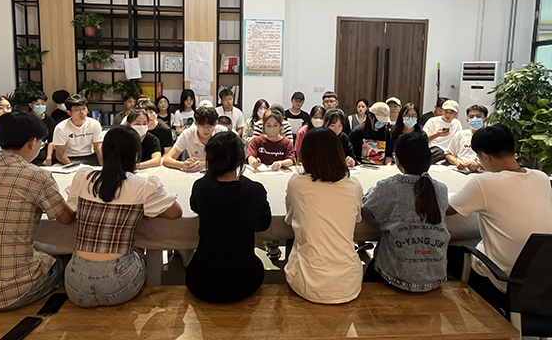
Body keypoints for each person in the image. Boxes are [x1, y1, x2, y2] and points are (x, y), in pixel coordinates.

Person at [65, 126, 182, 308]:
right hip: (118, 283)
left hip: (75, 283)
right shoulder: (143, 185)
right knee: (141, 253)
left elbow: (71, 210)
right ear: (136, 155)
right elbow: (176, 213)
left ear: (103, 151)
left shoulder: (83, 176)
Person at [447, 124, 552, 314]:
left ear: (485, 157)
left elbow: (444, 209)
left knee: (447, 254)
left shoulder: (484, 182)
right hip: (544, 282)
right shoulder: (542, 178)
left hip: (506, 282)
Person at [0, 112, 75, 310]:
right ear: (32, 143)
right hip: (12, 292)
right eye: (41, 142)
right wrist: (75, 198)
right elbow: (65, 219)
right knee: (66, 258)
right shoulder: (36, 176)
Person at [185, 132, 271, 303]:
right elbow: (263, 223)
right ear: (240, 159)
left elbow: (195, 207)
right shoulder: (255, 190)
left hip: (202, 279)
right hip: (245, 280)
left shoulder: (201, 187)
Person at [362, 132, 450, 292]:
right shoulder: (441, 189)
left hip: (395, 277)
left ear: (397, 159)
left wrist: (370, 193)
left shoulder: (388, 187)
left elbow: (367, 212)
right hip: (436, 276)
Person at [284, 127, 363, 304]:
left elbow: (289, 219)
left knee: (293, 241)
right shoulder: (354, 185)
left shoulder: (296, 183)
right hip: (349, 283)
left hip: (307, 284)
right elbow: (357, 220)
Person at [163, 106, 227, 172]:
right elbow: (166, 160)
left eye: (210, 126)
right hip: (196, 173)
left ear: (216, 123)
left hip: (220, 172)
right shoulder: (188, 134)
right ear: (196, 123)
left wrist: (205, 164)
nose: (206, 130)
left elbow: (230, 160)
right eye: (202, 126)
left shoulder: (222, 132)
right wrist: (182, 165)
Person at [53, 94, 103, 166]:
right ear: (69, 112)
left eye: (84, 108)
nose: (82, 112)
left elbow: (98, 148)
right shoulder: (61, 127)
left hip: (90, 157)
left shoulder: (94, 124)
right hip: (69, 158)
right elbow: (60, 154)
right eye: (77, 110)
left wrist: (102, 166)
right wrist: (72, 167)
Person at [445, 105, 488, 173]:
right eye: (471, 117)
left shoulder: (491, 137)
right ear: (467, 120)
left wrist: (479, 165)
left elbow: (498, 161)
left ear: (485, 119)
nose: (474, 119)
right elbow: (449, 154)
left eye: (478, 116)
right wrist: (457, 162)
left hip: (482, 172)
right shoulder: (460, 135)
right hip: (460, 171)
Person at [423, 100, 463, 164]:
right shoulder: (433, 121)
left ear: (455, 113)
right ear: (442, 111)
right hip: (435, 150)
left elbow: (460, 141)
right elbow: (423, 140)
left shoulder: (457, 123)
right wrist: (437, 135)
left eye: (451, 113)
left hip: (450, 152)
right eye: (446, 112)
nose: (448, 115)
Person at [28, 91, 56, 166]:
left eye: (43, 103)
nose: (40, 106)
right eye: (37, 104)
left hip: (43, 152)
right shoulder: (26, 119)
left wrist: (48, 158)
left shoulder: (49, 121)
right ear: (31, 105)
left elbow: (51, 141)